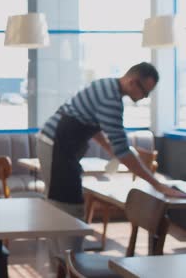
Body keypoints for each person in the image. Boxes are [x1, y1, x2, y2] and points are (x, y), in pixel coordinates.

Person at [36, 62, 186, 256]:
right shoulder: (111, 100)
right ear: (133, 82)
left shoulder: (105, 85)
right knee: (69, 205)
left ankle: (61, 261)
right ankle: (70, 262)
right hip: (56, 146)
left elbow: (95, 128)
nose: (143, 98)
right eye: (145, 92)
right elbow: (123, 151)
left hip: (54, 143)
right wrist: (158, 185)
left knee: (59, 204)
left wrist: (113, 150)